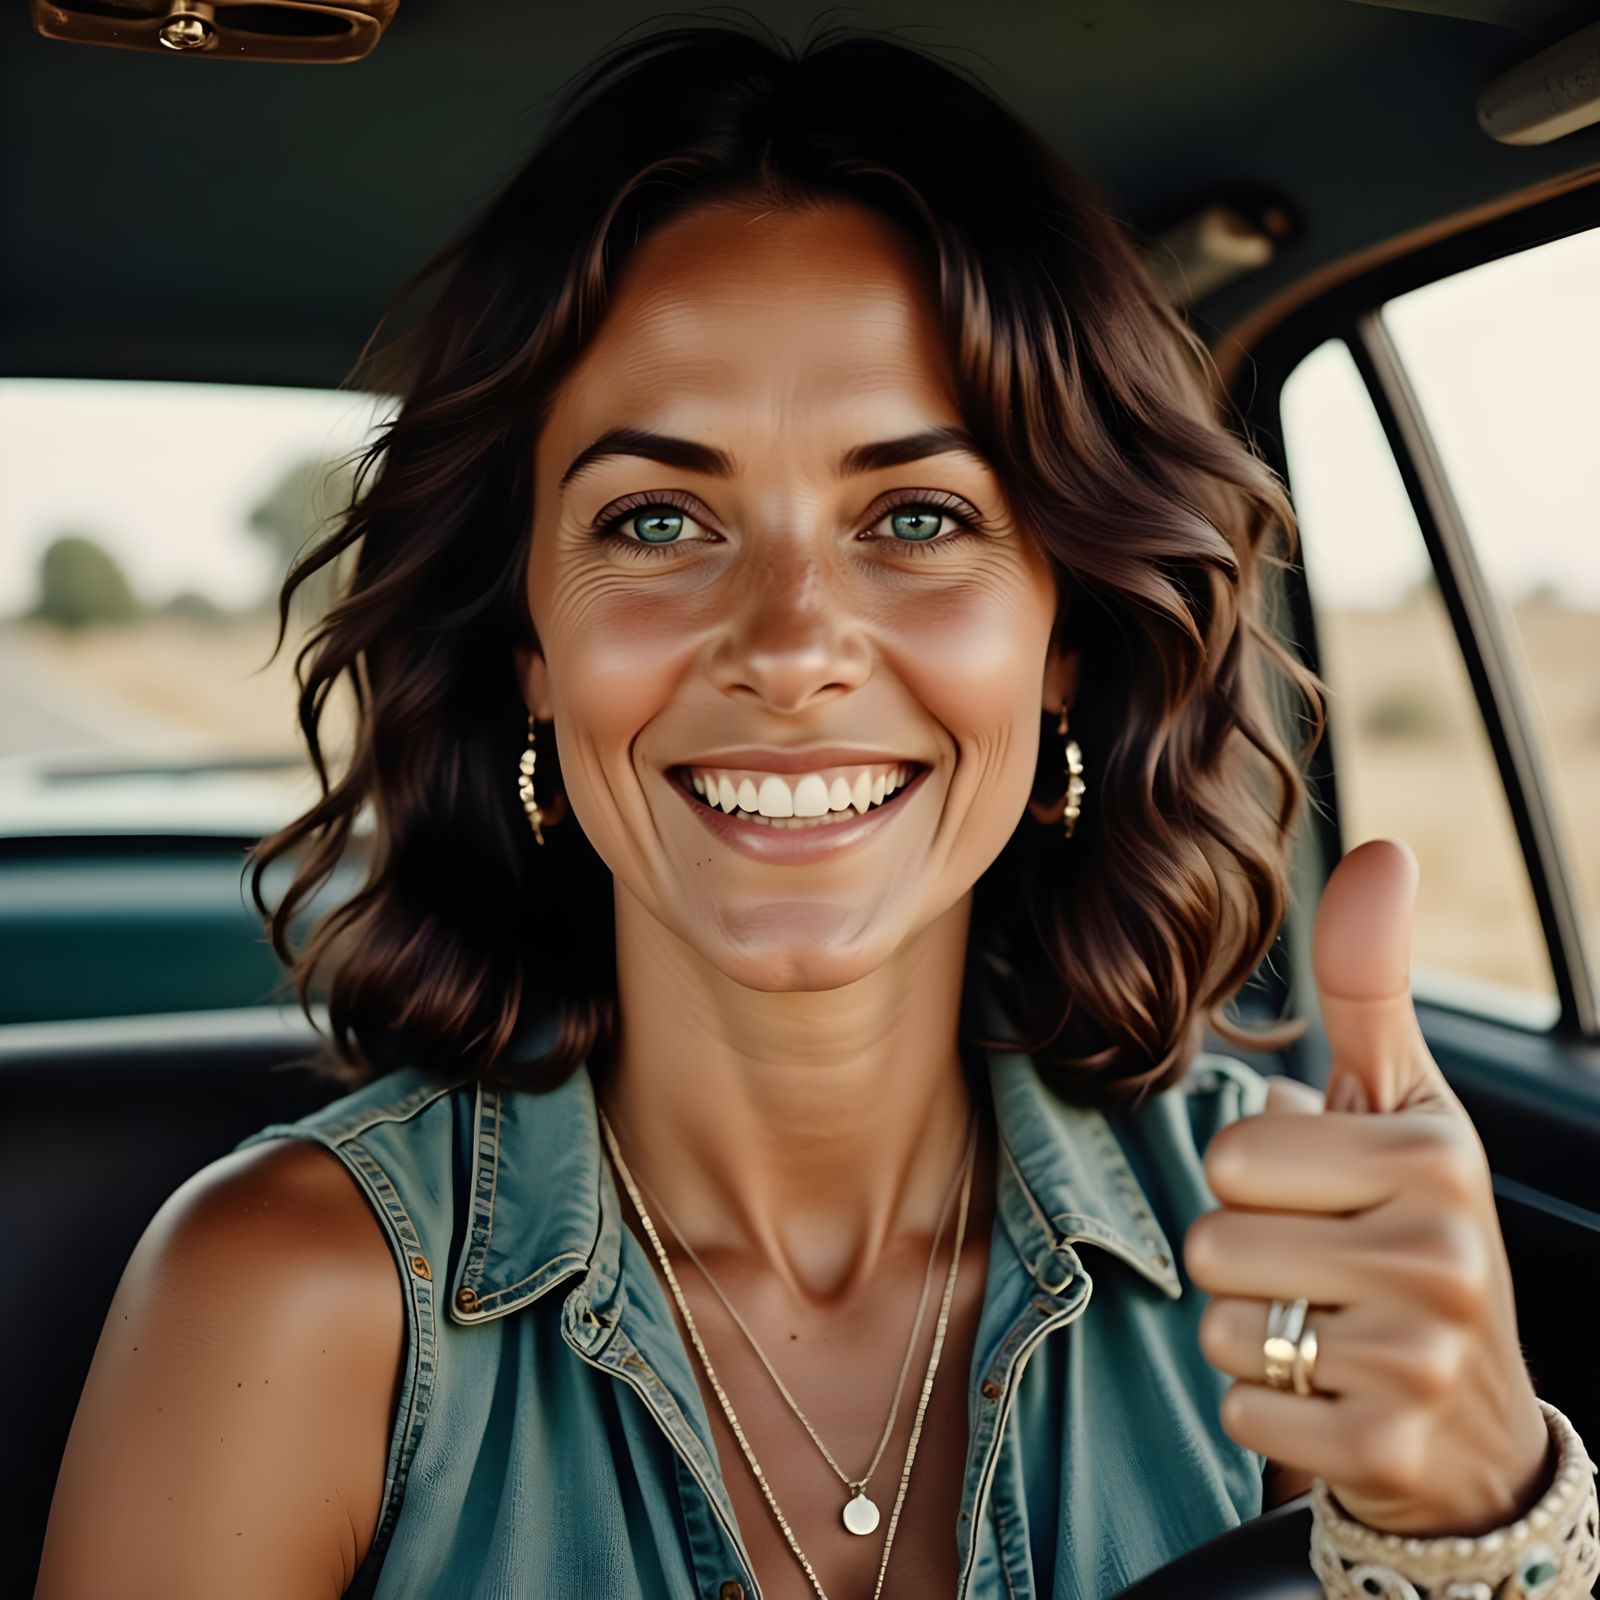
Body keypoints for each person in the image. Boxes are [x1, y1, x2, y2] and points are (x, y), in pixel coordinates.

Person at [33, 19, 1596, 1600]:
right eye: (656, 519)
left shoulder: (1292, 1268)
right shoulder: (285, 1299)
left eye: (916, 515)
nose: (788, 649)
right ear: (532, 654)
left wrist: (1480, 1514)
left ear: (1063, 645)